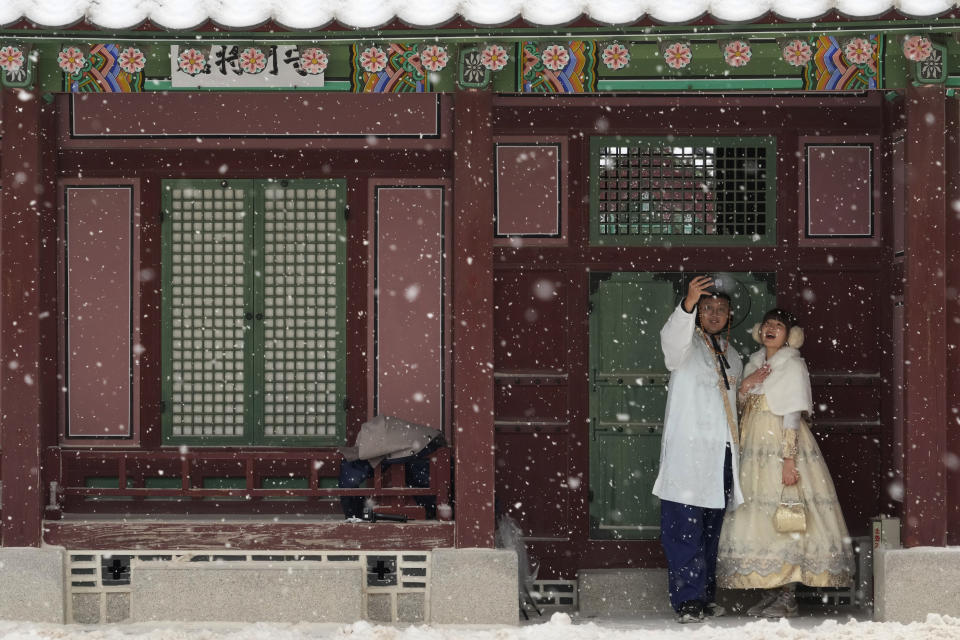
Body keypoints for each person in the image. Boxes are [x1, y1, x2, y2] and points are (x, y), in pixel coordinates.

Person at [716, 309, 854, 618]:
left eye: (778, 326)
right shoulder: (753, 362)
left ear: (789, 335)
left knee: (785, 516)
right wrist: (746, 384)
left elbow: (792, 414)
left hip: (780, 446)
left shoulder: (791, 365)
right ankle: (770, 590)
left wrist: (789, 460)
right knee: (760, 518)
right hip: (753, 449)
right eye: (767, 324)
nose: (771, 329)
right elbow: (740, 405)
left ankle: (787, 594)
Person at [653, 275, 745, 623]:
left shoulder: (732, 354)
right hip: (688, 456)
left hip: (721, 454)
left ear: (730, 315)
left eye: (721, 309)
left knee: (710, 530)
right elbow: (671, 340)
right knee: (683, 530)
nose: (714, 314)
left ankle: (705, 596)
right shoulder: (685, 345)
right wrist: (687, 305)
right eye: (707, 308)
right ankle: (687, 601)